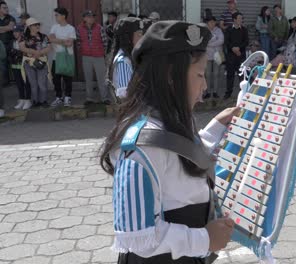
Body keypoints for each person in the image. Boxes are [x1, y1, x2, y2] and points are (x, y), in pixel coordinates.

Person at [100, 20, 236, 263]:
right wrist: (205, 239)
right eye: (199, 74)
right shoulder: (140, 147)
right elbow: (136, 237)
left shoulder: (168, 121)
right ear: (170, 77)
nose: (204, 86)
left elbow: (179, 160)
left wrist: (215, 128)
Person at [77, 10, 111, 105]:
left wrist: (102, 53)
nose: (91, 18)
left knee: (102, 78)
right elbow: (78, 42)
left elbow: (105, 42)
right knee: (88, 78)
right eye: (89, 16)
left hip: (99, 56)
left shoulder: (99, 28)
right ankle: (89, 98)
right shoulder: (79, 28)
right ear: (84, 18)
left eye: (92, 16)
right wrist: (83, 50)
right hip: (86, 56)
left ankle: (104, 98)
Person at [109, 17, 146, 100]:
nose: (142, 38)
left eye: (142, 34)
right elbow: (124, 96)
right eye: (138, 34)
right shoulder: (123, 62)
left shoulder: (131, 57)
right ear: (127, 38)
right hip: (133, 111)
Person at [19, 18, 51, 108]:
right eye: (35, 25)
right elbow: (21, 47)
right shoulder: (24, 36)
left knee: (42, 83)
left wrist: (39, 53)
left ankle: (43, 101)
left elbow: (49, 48)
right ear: (29, 27)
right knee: (33, 84)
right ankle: (35, 101)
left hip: (41, 62)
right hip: (29, 63)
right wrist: (33, 51)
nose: (37, 26)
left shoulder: (43, 36)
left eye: (38, 24)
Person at [49, 7, 76, 107]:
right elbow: (51, 39)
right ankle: (58, 97)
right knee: (56, 78)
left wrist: (58, 40)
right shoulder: (54, 27)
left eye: (57, 15)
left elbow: (70, 43)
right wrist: (63, 41)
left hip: (67, 57)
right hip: (56, 57)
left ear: (63, 16)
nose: (55, 17)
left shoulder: (71, 28)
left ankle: (68, 97)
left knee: (67, 78)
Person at [224, 12, 248, 100]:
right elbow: (226, 42)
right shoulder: (228, 29)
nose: (241, 20)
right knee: (230, 75)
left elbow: (246, 42)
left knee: (241, 75)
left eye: (241, 18)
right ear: (234, 19)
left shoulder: (244, 30)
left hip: (241, 55)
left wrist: (238, 48)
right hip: (230, 56)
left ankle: (243, 94)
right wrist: (233, 49)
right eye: (239, 18)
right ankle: (228, 93)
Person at [10, 25, 31, 110]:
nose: (15, 33)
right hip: (15, 66)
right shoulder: (12, 41)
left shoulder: (25, 41)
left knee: (26, 83)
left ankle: (28, 100)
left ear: (21, 32)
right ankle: (21, 99)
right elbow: (10, 53)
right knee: (19, 84)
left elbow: (24, 52)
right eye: (14, 32)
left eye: (17, 31)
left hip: (24, 65)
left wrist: (15, 51)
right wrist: (16, 52)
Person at [204, 15, 224, 99]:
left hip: (217, 55)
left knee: (216, 74)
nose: (212, 23)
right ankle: (207, 92)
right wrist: (214, 41)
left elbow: (221, 41)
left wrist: (209, 43)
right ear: (207, 23)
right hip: (207, 55)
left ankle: (215, 92)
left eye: (213, 22)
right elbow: (203, 41)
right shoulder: (204, 30)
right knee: (207, 74)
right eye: (210, 22)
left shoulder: (218, 30)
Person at [0, 1, 15, 85]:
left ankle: (16, 80)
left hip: (11, 43)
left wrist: (4, 28)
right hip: (1, 46)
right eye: (4, 8)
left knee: (13, 62)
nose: (6, 9)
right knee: (3, 64)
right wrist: (6, 28)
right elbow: (8, 28)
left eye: (7, 7)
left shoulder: (11, 18)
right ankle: (6, 83)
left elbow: (11, 27)